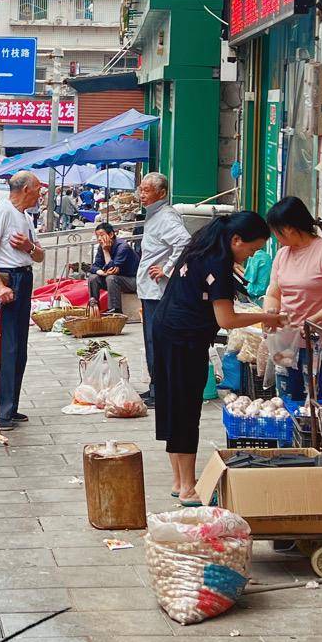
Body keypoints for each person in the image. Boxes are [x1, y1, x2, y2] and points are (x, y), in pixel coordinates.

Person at [149, 211, 281, 502]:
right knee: (185, 408)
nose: (251, 255)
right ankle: (187, 487)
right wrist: (270, 318)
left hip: (166, 329)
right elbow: (226, 319)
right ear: (236, 240)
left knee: (172, 404)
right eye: (252, 248)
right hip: (184, 339)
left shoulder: (202, 247)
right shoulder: (218, 263)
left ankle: (178, 480)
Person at [263, 196, 322, 405]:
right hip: (286, 342)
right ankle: (289, 438)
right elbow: (274, 292)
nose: (275, 238)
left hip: (321, 343)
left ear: (289, 229)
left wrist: (312, 320)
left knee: (318, 402)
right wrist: (271, 312)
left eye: (276, 232)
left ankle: (317, 439)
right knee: (287, 397)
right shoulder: (282, 255)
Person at [0, 170, 44, 442]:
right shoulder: (2, 211)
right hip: (6, 280)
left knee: (20, 350)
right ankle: (1, 414)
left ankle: (11, 406)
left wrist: (29, 247)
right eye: (38, 188)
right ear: (26, 189)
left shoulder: (25, 217)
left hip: (23, 278)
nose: (41, 194)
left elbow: (39, 254)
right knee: (8, 349)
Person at [135, 172, 193, 405]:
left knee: (156, 340)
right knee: (152, 340)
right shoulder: (154, 215)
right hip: (150, 289)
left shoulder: (166, 217)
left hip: (158, 291)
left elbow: (185, 242)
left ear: (162, 193)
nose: (142, 194)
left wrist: (167, 269)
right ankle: (155, 386)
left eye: (147, 190)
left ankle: (161, 390)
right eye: (141, 189)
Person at [86, 221, 137, 314]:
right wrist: (101, 272)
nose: (99, 239)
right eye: (98, 236)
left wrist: (106, 251)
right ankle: (94, 308)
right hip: (116, 279)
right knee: (93, 277)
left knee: (111, 278)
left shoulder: (123, 247)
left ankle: (114, 310)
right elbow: (94, 266)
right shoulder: (101, 247)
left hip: (132, 280)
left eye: (102, 235)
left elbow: (112, 268)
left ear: (111, 234)